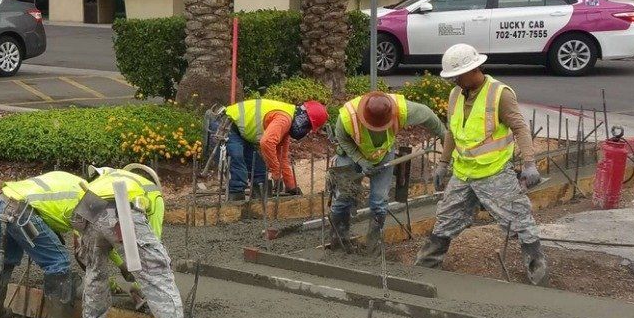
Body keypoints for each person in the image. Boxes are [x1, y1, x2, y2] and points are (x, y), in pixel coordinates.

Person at [416, 44, 549, 285]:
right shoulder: (456, 94)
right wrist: (444, 163)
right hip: (463, 173)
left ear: (474, 69)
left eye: (458, 75)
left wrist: (530, 164)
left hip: (493, 172)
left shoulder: (500, 94)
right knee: (446, 218)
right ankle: (425, 268)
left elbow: (520, 127)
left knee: (518, 219)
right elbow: (452, 132)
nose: (454, 80)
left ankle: (538, 272)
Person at [71, 164, 210, 318]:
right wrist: (144, 275)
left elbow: (96, 240)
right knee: (158, 274)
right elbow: (154, 236)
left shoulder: (102, 181)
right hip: (120, 208)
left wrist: (126, 263)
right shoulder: (152, 191)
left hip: (88, 210)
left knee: (95, 272)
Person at [327, 91, 446, 252]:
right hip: (351, 152)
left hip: (383, 153)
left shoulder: (402, 109)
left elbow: (429, 116)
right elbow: (342, 139)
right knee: (343, 197)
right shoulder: (347, 117)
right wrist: (361, 161)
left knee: (379, 201)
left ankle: (372, 246)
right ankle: (339, 243)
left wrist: (446, 139)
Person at [0, 170, 89, 318]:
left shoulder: (68, 180)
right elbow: (80, 239)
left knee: (6, 257)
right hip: (22, 212)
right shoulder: (84, 199)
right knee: (58, 261)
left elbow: (49, 210)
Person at [214, 97, 330, 200]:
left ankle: (258, 206)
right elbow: (267, 143)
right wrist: (276, 173)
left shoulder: (287, 125)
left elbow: (282, 158)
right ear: (304, 119)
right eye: (308, 127)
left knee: (259, 172)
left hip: (242, 133)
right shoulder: (284, 119)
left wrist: (291, 186)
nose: (306, 131)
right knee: (238, 163)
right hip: (228, 125)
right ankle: (235, 202)